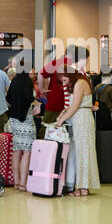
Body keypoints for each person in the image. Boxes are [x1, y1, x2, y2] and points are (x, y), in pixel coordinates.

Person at [53, 65, 100, 196]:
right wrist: (62, 116)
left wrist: (61, 120)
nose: (63, 83)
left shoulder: (80, 83)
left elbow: (74, 107)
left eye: (64, 80)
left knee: (83, 152)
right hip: (79, 119)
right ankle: (80, 186)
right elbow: (72, 107)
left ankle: (83, 187)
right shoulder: (78, 83)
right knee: (78, 153)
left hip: (82, 120)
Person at [5, 68, 39, 191]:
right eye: (33, 71)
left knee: (17, 150)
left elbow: (8, 100)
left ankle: (17, 182)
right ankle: (24, 183)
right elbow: (29, 97)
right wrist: (37, 104)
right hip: (26, 120)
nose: (34, 73)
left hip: (14, 120)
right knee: (27, 151)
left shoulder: (14, 80)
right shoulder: (27, 82)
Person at [39, 47, 74, 131]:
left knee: (47, 129)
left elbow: (41, 74)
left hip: (55, 103)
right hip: (72, 105)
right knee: (67, 133)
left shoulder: (57, 63)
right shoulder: (76, 65)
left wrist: (42, 90)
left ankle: (43, 144)